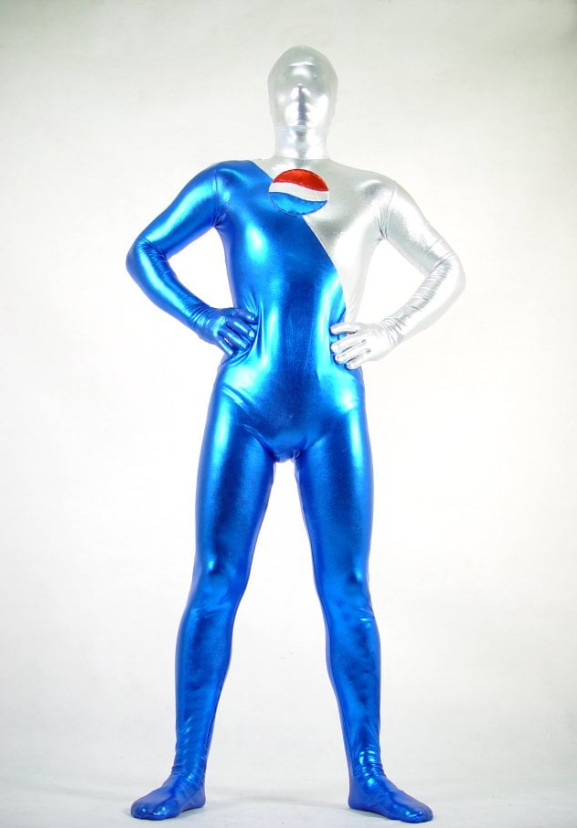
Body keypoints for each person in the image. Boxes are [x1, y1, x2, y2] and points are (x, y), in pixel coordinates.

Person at [126, 46, 464, 823]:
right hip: (245, 400)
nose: (302, 96)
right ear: (273, 95)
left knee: (346, 588)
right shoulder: (228, 182)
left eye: (315, 84)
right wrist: (202, 316)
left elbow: (445, 267)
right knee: (216, 580)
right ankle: (185, 773)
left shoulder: (371, 192)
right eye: (290, 83)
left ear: (334, 99)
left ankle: (368, 774)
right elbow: (144, 251)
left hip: (332, 407)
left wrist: (390, 330)